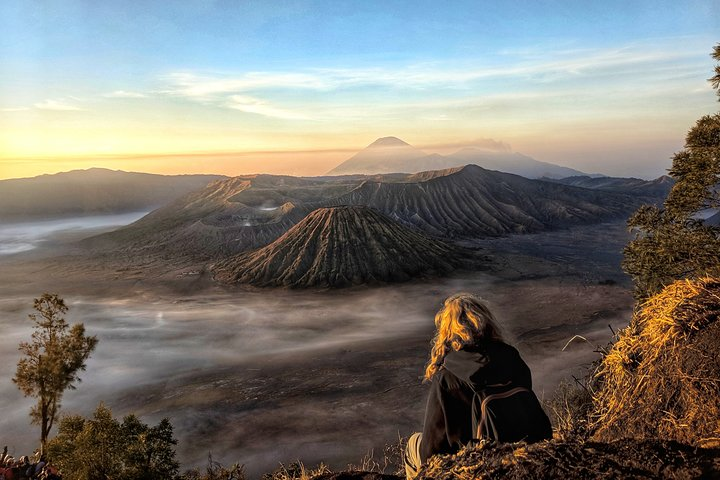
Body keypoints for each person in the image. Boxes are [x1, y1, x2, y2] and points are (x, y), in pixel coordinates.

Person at [404, 293, 552, 479]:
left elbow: (432, 448)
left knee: (413, 443)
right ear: (487, 322)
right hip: (524, 449)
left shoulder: (448, 377)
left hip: (475, 460)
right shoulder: (512, 357)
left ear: (448, 331)